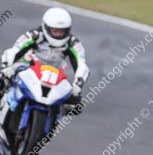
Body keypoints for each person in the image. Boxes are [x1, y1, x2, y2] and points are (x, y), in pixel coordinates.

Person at [0, 8, 90, 144]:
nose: (59, 34)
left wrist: (77, 87)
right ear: (46, 27)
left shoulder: (73, 43)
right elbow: (13, 51)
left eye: (62, 31)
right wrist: (6, 67)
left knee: (73, 104)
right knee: (3, 80)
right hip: (27, 69)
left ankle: (46, 128)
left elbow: (82, 66)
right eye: (55, 31)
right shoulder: (34, 35)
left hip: (53, 77)